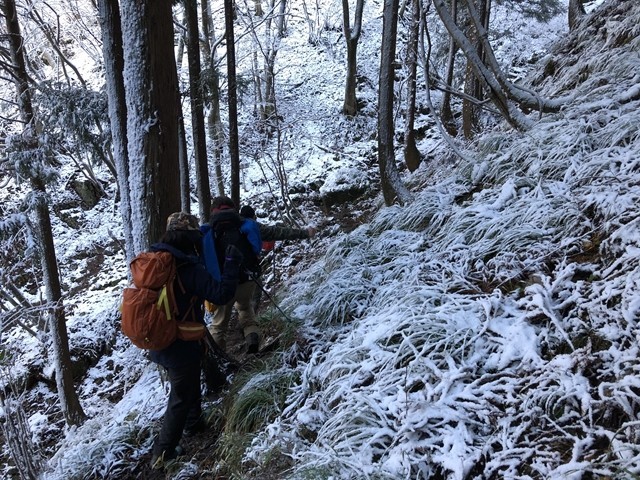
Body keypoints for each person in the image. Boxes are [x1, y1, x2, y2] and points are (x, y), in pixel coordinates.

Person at [149, 212, 242, 468]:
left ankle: (194, 424)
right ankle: (162, 453)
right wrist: (232, 262)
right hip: (179, 343)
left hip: (159, 339)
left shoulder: (156, 262)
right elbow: (222, 294)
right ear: (191, 238)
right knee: (180, 395)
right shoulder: (186, 269)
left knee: (187, 384)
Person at [201, 197, 262, 354]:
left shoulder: (208, 231)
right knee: (245, 308)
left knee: (219, 324)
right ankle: (252, 340)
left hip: (223, 285)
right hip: (248, 279)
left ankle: (220, 359)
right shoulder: (244, 225)